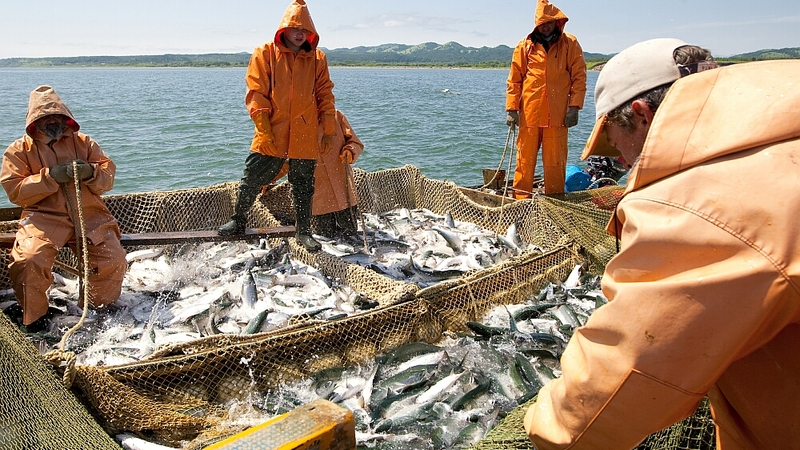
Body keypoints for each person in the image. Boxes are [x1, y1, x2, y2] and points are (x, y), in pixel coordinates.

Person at [524, 38, 800, 449]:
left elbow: (623, 377)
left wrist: (543, 432)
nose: (620, 160)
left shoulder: (701, 205)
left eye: (614, 140)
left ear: (641, 114)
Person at [0, 85, 127, 329]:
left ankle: (94, 312)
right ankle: (36, 318)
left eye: (58, 116)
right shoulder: (18, 151)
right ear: (33, 121)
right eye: (45, 117)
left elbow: (107, 177)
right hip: (43, 218)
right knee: (28, 260)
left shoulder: (84, 143)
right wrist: (49, 177)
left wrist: (91, 171)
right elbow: (15, 191)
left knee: (113, 259)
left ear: (67, 117)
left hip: (89, 215)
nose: (53, 121)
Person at [218, 0, 336, 253]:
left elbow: (325, 94)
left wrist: (328, 129)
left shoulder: (318, 58)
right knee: (251, 177)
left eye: (304, 30)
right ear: (283, 29)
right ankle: (238, 220)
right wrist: (263, 127)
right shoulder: (264, 52)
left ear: (311, 33)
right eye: (295, 28)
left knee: (304, 184)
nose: (299, 33)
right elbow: (256, 91)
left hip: (305, 133)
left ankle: (303, 231)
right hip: (271, 130)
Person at [505, 0, 586, 198]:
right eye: (542, 22)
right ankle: (521, 199)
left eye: (549, 21)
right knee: (524, 160)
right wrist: (511, 109)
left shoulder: (570, 43)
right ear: (536, 24)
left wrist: (574, 107)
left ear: (557, 21)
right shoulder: (524, 46)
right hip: (529, 114)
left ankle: (555, 199)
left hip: (558, 116)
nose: (546, 25)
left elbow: (579, 77)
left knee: (555, 161)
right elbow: (514, 80)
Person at [268, 109, 364, 238]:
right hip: (318, 199)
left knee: (351, 235)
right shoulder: (292, 125)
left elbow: (355, 143)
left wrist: (350, 151)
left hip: (344, 194)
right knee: (325, 238)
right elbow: (284, 161)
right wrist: (269, 178)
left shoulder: (336, 116)